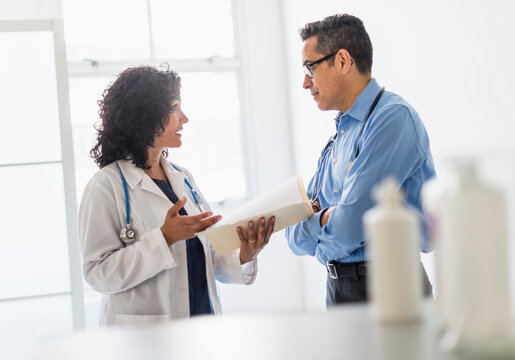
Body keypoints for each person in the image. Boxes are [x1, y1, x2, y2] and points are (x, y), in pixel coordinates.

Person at [79, 65, 275, 326]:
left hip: (200, 327)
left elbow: (208, 257)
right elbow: (98, 274)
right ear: (146, 116)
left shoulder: (183, 178)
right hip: (144, 339)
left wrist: (245, 253)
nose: (184, 118)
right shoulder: (106, 186)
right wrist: (163, 238)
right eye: (174, 108)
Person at [285, 14, 435, 306]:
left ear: (342, 61)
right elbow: (293, 233)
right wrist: (328, 218)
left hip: (391, 287)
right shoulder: (339, 138)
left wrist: (320, 225)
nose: (305, 82)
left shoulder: (392, 118)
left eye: (310, 67)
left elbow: (350, 225)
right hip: (338, 289)